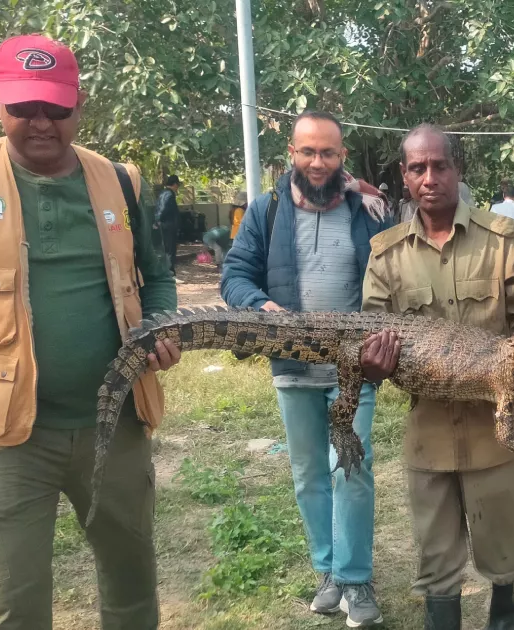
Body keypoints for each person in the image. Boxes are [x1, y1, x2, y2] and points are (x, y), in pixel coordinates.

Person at [0, 34, 181, 629]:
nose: (40, 123)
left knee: (132, 590)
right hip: (3, 437)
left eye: (56, 108)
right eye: (23, 108)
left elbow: (159, 274)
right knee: (11, 608)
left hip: (115, 422)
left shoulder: (120, 182)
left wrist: (160, 329)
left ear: (78, 104)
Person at [362, 125, 514, 630]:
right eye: (417, 168)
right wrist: (372, 364)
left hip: (495, 425)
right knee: (435, 550)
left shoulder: (501, 241)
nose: (429, 178)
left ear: (456, 169)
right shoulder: (386, 254)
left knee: (502, 540)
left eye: (439, 166)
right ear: (403, 176)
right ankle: (441, 616)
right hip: (428, 433)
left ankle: (505, 610)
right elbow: (369, 331)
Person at [220, 110, 392, 627]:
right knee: (308, 474)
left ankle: (356, 579)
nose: (318, 162)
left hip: (352, 368)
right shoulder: (265, 211)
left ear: (343, 156)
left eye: (329, 153)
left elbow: (394, 277)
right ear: (292, 155)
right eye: (308, 152)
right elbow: (234, 273)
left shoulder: (370, 212)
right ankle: (328, 573)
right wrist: (258, 304)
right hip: (292, 366)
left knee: (353, 470)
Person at [156, 173, 182, 273]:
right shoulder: (169, 195)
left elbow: (158, 208)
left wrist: (157, 220)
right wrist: (160, 218)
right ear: (175, 184)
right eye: (178, 185)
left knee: (166, 248)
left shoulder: (162, 193)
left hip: (163, 224)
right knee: (170, 248)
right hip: (169, 224)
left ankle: (167, 269)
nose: (177, 188)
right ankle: (170, 270)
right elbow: (164, 209)